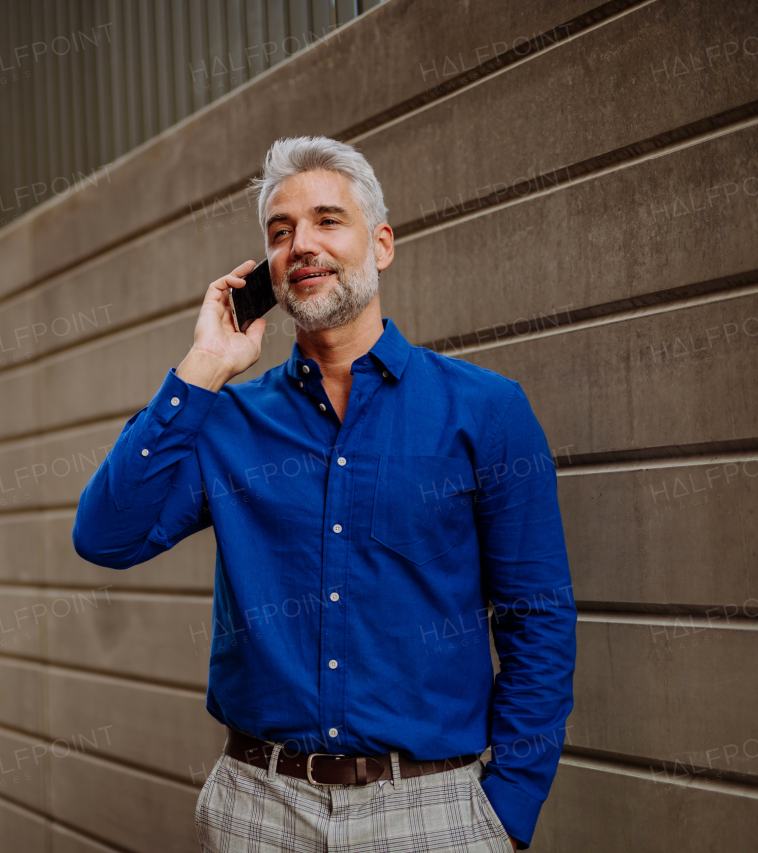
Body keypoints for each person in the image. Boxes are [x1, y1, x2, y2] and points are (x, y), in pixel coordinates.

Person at [72, 136, 575, 852]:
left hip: (434, 814)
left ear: (382, 244)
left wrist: (507, 807)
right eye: (280, 233)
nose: (300, 244)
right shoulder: (226, 422)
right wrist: (204, 366)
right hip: (259, 809)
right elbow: (105, 534)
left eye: (326, 220)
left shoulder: (486, 412)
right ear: (266, 269)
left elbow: (539, 618)